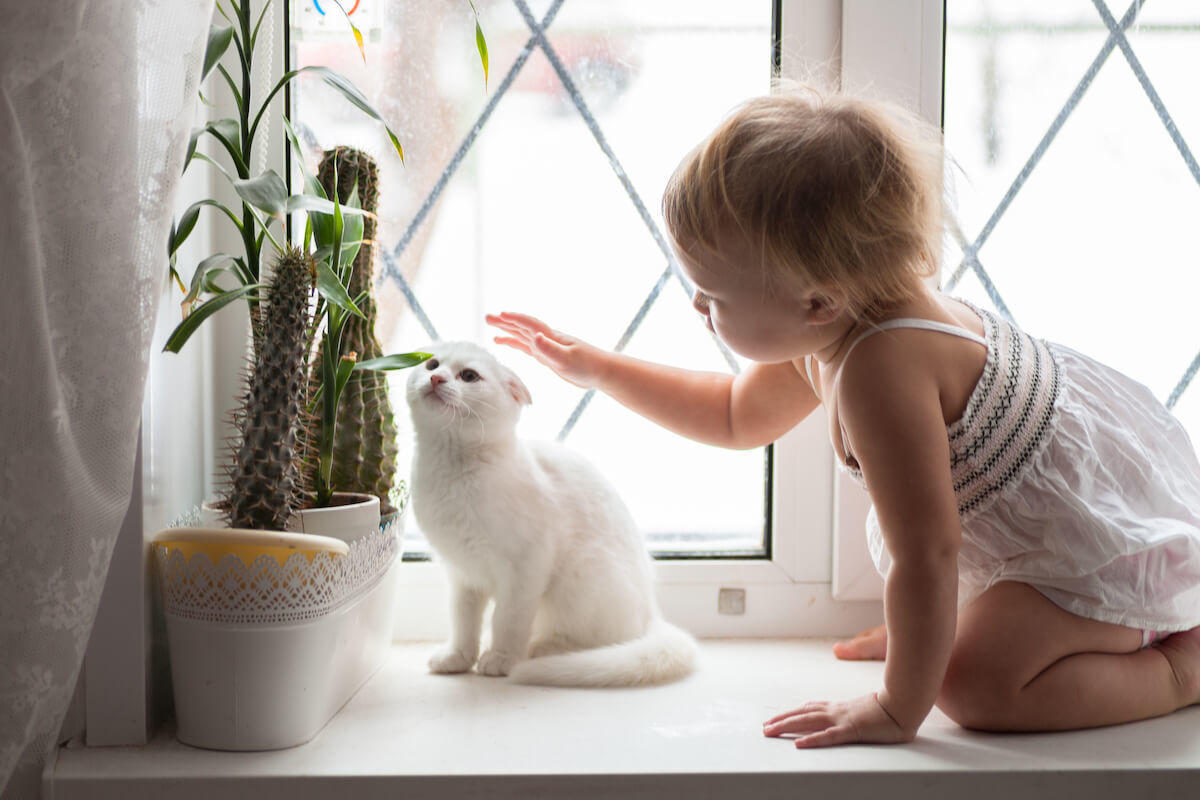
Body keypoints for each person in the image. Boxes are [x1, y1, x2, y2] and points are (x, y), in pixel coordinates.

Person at [485, 86, 1200, 748]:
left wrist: (898, 704)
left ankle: (1181, 670)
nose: (697, 309)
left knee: (972, 686)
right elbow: (736, 416)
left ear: (817, 301)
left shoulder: (881, 369)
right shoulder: (843, 316)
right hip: (1052, 532)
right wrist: (601, 369)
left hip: (1091, 553)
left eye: (712, 296)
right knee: (951, 643)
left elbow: (929, 552)